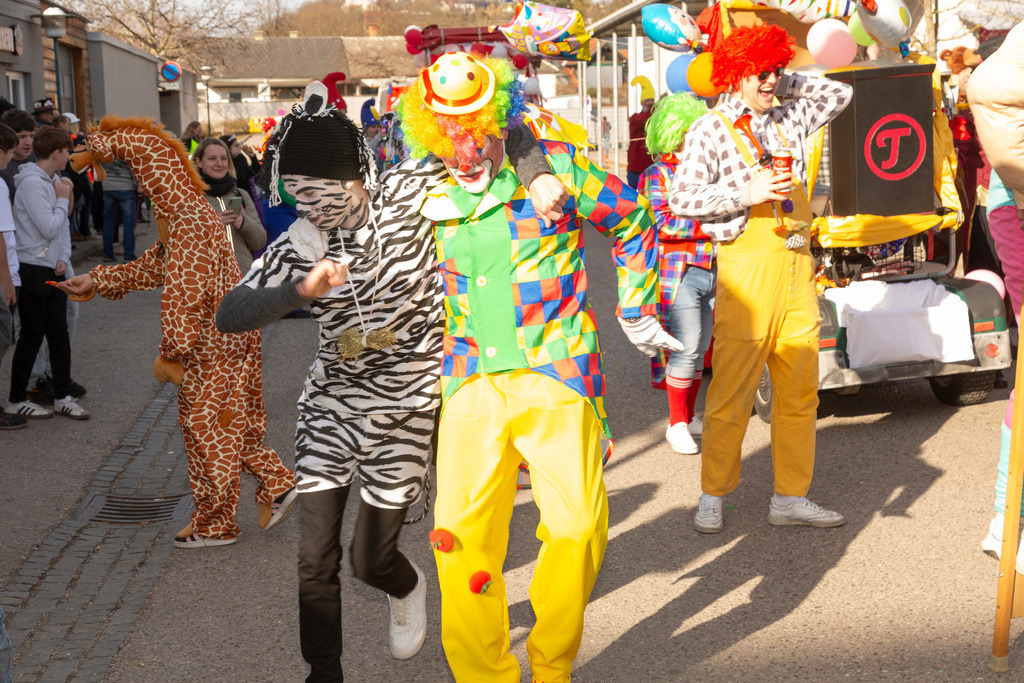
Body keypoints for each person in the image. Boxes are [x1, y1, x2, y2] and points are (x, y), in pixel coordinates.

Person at [217, 79, 560, 682]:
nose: (309, 209)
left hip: (408, 405)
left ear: (355, 178)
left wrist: (537, 176)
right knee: (314, 556)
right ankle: (323, 672)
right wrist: (299, 290)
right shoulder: (299, 245)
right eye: (296, 195)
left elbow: (493, 127)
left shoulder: (406, 191)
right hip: (331, 404)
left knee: (368, 561)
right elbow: (229, 313)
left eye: (319, 193)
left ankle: (403, 585)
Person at [397, 51, 680, 682]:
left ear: (499, 119)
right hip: (469, 380)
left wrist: (636, 304)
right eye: (446, 135)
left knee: (578, 529)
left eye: (475, 130)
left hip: (558, 371)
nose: (462, 149)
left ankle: (552, 667)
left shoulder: (557, 168)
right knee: (458, 538)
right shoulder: (420, 188)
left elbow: (634, 218)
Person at [57, 114, 297, 548]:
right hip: (231, 334)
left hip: (212, 341)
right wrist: (96, 279)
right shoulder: (189, 212)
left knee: (206, 430)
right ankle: (271, 486)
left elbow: (185, 294)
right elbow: (157, 266)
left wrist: (173, 352)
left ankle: (218, 523)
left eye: (141, 177)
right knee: (229, 425)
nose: (142, 188)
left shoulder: (187, 218)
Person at [668, 24, 852, 534]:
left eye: (775, 69)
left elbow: (840, 92)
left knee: (800, 392)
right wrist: (743, 193)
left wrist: (782, 79)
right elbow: (681, 198)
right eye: (759, 72)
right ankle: (713, 494)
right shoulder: (709, 129)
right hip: (745, 269)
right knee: (733, 391)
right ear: (734, 75)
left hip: (797, 265)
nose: (770, 80)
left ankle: (789, 497)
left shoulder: (789, 114)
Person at [640, 92, 713, 455]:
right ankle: (675, 423)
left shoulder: (705, 172)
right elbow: (661, 222)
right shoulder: (657, 174)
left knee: (701, 349)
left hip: (711, 268)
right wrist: (711, 226)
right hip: (678, 271)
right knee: (685, 346)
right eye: (689, 132)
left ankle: (688, 416)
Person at [6, 126, 86, 419]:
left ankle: (62, 396)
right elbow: (49, 227)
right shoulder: (31, 183)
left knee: (59, 334)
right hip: (32, 268)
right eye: (67, 151)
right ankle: (16, 398)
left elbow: (61, 228)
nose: (70, 155)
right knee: (32, 335)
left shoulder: (52, 180)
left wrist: (62, 257)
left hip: (53, 268)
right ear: (56, 153)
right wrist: (63, 198)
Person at [194, 137, 265, 274]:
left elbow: (259, 242)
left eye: (224, 158)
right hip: (207, 281)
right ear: (199, 162)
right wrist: (212, 226)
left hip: (244, 279)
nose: (219, 163)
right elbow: (181, 246)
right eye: (212, 158)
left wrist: (243, 222)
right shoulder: (190, 199)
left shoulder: (241, 195)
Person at [0, 121, 25, 429]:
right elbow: (1, 236)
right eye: (9, 152)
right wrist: (7, 281)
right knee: (3, 336)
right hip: (3, 275)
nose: (10, 159)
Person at [99, 158, 138, 263]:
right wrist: (137, 184)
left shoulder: (104, 150)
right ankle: (128, 255)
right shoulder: (125, 149)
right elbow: (134, 166)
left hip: (108, 186)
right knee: (128, 222)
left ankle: (108, 254)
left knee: (108, 221)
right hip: (126, 186)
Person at [626, 76, 656, 189]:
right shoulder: (635, 118)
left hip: (650, 168)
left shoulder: (655, 120)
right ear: (642, 103)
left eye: (652, 100)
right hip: (635, 171)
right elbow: (645, 118)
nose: (650, 103)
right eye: (647, 100)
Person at [219, 133, 260, 201]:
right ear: (228, 149)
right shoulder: (225, 165)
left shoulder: (238, 160)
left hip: (250, 199)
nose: (240, 147)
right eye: (236, 146)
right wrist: (240, 157)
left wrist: (253, 157)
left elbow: (255, 176)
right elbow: (241, 177)